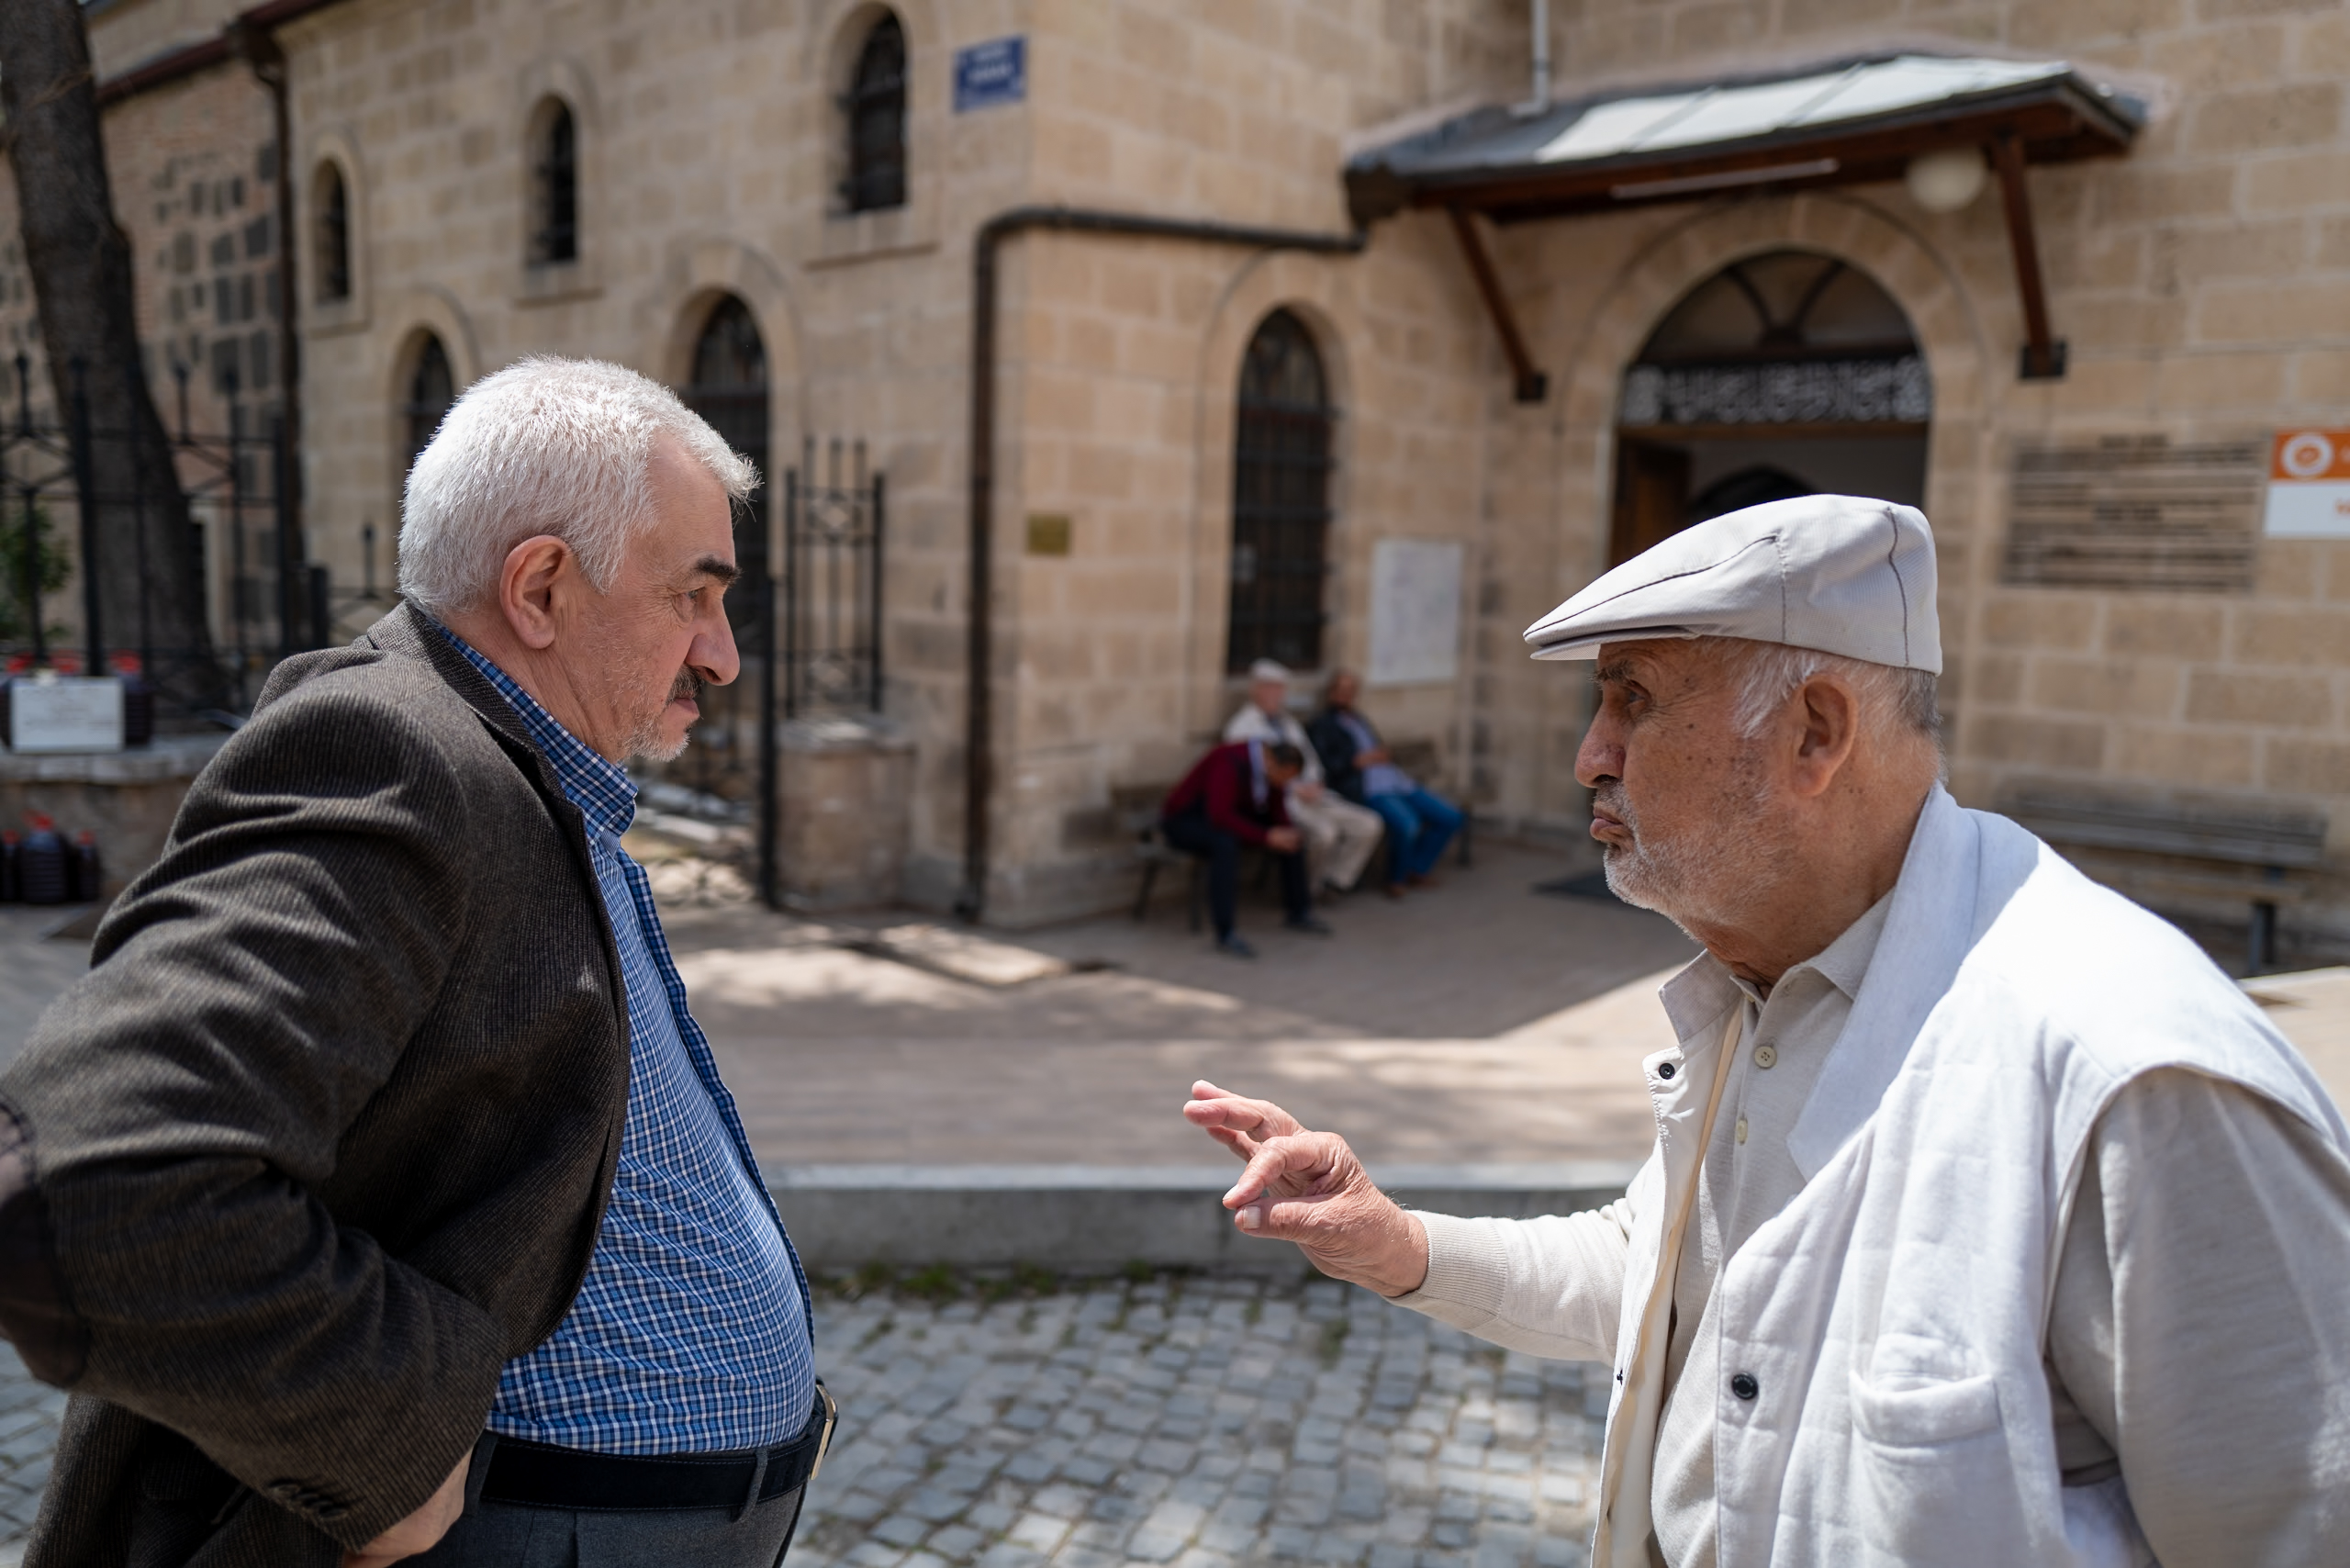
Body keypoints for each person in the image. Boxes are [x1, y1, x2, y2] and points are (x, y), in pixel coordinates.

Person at [1183, 495, 2350, 1567]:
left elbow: (2294, 1527)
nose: (1590, 756)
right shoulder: (1773, 968)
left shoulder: (2127, 1069)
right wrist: (1392, 1243)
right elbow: (1660, 1276)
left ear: (1815, 732)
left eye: (1633, 699)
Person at [0, 358, 832, 1568]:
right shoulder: (396, 751)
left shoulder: (527, 767)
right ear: (540, 588)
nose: (722, 654)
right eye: (694, 595)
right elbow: (94, 1173)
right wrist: (380, 1441)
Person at [1224, 658, 1383, 895]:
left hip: (1314, 795)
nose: (1276, 694)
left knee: (1369, 824)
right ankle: (1307, 888)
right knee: (1324, 834)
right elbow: (1252, 776)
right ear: (1255, 690)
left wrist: (1315, 783)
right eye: (1269, 688)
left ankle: (1337, 880)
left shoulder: (1288, 723)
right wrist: (1294, 789)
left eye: (1280, 688)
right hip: (1282, 802)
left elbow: (1310, 759)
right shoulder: (1241, 727)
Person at [1161, 737, 1328, 958]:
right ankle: (1225, 933)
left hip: (1224, 817)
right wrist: (1267, 836)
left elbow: (1276, 805)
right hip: (1185, 821)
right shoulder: (1229, 759)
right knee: (1224, 846)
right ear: (1270, 761)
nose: (1284, 783)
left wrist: (1284, 831)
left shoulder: (1271, 770)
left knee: (1291, 837)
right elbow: (1220, 815)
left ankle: (1299, 912)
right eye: (1283, 776)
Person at [1307, 668, 1464, 895]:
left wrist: (1382, 754)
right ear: (1331, 692)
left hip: (1396, 781)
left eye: (1351, 690)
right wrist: (1357, 761)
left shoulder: (1359, 719)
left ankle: (1417, 868)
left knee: (1451, 817)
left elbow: (1377, 747)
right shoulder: (1322, 724)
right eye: (1341, 690)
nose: (1346, 695)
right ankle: (1397, 878)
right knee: (1408, 824)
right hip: (1368, 787)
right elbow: (1325, 766)